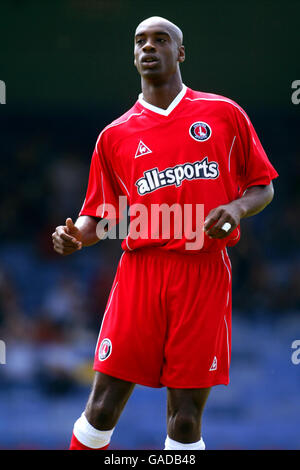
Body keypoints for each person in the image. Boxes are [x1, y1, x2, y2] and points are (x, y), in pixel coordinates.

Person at [52, 16, 278, 451]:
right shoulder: (114, 136)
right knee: (100, 408)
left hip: (203, 271)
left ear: (181, 52)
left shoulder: (223, 113)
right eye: (140, 41)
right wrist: (76, 237)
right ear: (134, 55)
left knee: (186, 421)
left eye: (160, 40)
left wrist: (235, 207)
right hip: (141, 271)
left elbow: (262, 185)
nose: (149, 47)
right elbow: (99, 216)